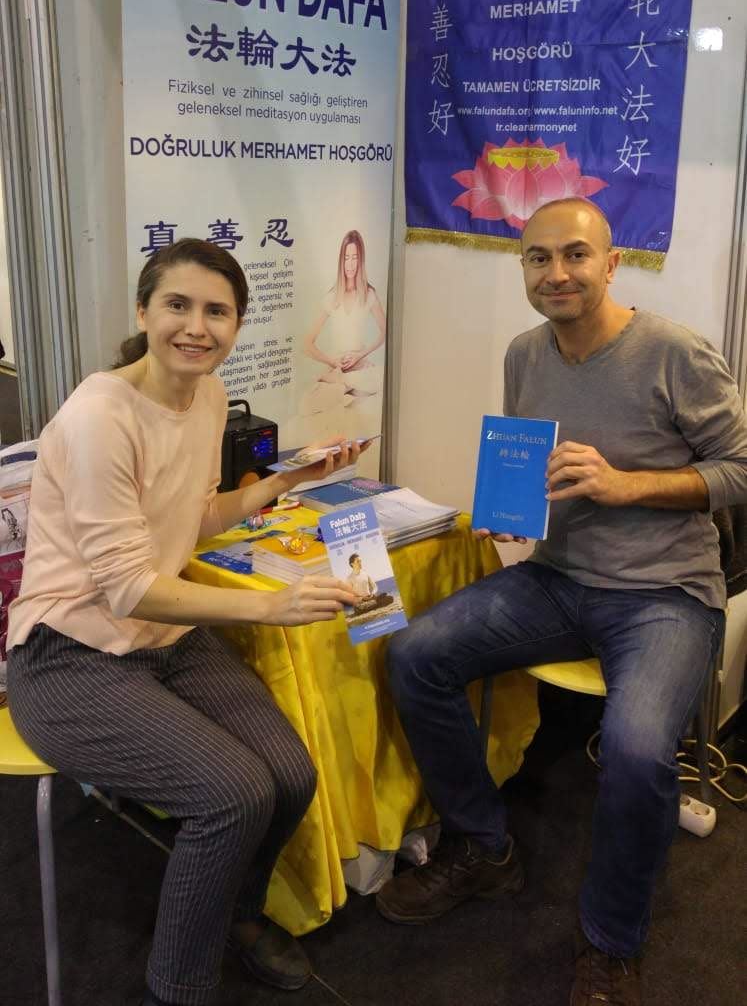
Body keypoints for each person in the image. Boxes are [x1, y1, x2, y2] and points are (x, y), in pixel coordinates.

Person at [376, 197, 747, 1006]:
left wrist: (626, 485)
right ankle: (482, 847)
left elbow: (740, 470)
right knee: (413, 654)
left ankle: (611, 943)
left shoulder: (675, 353)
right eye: (537, 258)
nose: (556, 273)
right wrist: (511, 510)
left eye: (575, 255)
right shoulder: (524, 354)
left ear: (611, 264)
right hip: (557, 578)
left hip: (664, 593)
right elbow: (536, 466)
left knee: (637, 750)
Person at [7, 237, 366, 1006]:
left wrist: (287, 480)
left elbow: (193, 517)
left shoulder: (206, 395)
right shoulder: (101, 415)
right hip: (67, 655)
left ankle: (236, 913)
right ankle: (177, 987)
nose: (196, 327)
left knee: (290, 774)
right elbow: (128, 588)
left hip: (161, 639)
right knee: (233, 793)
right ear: (143, 312)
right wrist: (270, 607)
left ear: (235, 324)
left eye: (217, 311)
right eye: (177, 305)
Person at [300, 229, 386, 413]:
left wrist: (360, 355)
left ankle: (343, 387)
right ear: (341, 260)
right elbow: (307, 344)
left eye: (355, 257)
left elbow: (385, 332)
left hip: (361, 368)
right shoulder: (332, 298)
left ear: (361, 260)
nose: (350, 264)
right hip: (338, 368)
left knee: (381, 377)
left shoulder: (368, 294)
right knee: (306, 405)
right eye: (346, 258)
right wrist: (332, 362)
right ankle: (345, 387)